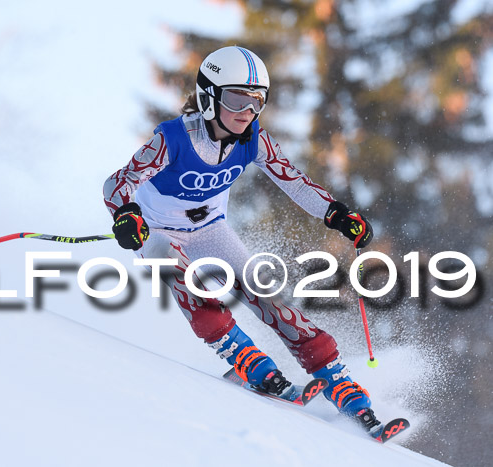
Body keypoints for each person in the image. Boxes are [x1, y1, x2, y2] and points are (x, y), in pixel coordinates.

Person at [103, 46, 379, 431]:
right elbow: (117, 184)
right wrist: (126, 214)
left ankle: (336, 378)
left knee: (266, 294)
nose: (247, 111)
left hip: (211, 230)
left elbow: (293, 182)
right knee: (182, 275)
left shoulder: (254, 140)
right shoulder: (173, 139)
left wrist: (335, 212)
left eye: (256, 101)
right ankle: (243, 355)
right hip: (160, 232)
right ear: (208, 95)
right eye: (236, 98)